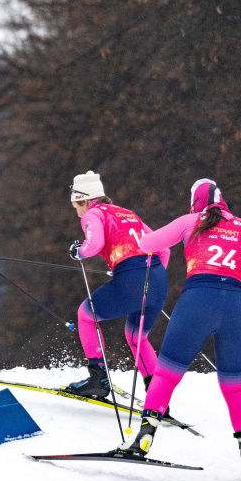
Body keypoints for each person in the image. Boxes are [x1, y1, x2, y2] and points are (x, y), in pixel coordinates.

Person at [121, 179, 241, 458]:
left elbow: (147, 243)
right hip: (236, 305)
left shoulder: (191, 221)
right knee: (234, 386)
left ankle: (144, 438)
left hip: (197, 301)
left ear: (195, 202)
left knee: (166, 372)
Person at [64, 171, 170, 399]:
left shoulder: (93, 214)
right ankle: (157, 397)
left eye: (76, 206)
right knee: (136, 337)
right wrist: (148, 277)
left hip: (133, 280)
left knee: (85, 315)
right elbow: (164, 249)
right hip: (159, 279)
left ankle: (98, 380)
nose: (77, 212)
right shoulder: (127, 213)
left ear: (83, 199)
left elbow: (94, 245)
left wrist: (77, 252)